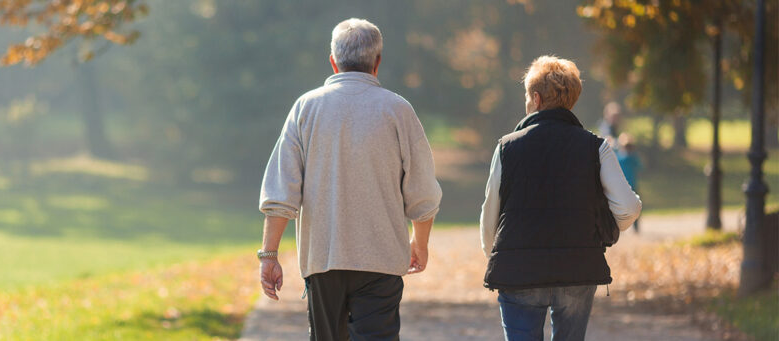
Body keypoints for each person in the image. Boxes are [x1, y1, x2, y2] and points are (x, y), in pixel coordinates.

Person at [257, 18, 442, 341]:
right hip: (381, 262)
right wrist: (420, 243)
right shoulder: (398, 110)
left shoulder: (306, 108)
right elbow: (423, 193)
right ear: (377, 62)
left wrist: (269, 255)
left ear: (333, 61)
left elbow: (281, 191)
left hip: (323, 260)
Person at [479, 56, 642, 341]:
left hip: (520, 271)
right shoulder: (596, 147)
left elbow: (490, 212)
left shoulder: (507, 148)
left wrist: (497, 254)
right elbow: (629, 208)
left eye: (527, 97)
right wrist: (604, 230)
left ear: (537, 99)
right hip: (578, 267)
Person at [614, 133, 643, 232]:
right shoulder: (631, 157)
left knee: (625, 207)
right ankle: (633, 228)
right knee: (632, 206)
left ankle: (633, 227)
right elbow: (640, 167)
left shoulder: (620, 157)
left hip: (627, 185)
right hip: (626, 185)